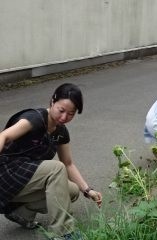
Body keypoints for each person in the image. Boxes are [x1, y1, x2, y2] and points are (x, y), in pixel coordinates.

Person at [0, 83, 102, 240]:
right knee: (55, 169)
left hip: (24, 179)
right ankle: (62, 232)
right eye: (61, 110)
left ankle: (21, 213)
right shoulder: (35, 118)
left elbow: (68, 163)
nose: (64, 117)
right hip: (7, 174)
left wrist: (88, 191)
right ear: (52, 101)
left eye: (71, 114)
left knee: (72, 190)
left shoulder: (61, 132)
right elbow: (4, 136)